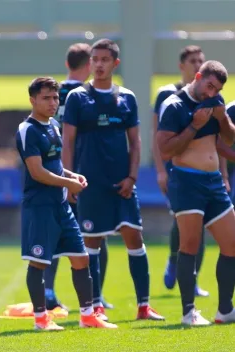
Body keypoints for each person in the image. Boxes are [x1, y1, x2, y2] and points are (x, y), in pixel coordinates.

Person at [62, 39, 164, 324]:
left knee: (135, 237)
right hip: (89, 184)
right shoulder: (77, 97)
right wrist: (69, 180)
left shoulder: (127, 98)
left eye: (105, 59)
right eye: (95, 59)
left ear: (115, 63)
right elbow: (67, 143)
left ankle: (144, 306)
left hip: (122, 184)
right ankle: (95, 307)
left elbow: (135, 141)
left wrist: (132, 177)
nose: (98, 64)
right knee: (91, 243)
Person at [15, 76, 116, 330]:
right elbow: (37, 172)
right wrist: (67, 184)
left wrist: (72, 175)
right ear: (32, 100)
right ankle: (40, 319)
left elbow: (56, 166)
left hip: (60, 207)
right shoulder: (27, 130)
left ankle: (87, 316)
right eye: (46, 98)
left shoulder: (54, 126)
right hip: (40, 207)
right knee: (38, 262)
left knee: (81, 258)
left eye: (55, 97)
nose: (52, 103)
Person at [157, 60, 235, 326]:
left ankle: (225, 310)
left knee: (232, 243)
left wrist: (222, 117)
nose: (212, 93)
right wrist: (194, 125)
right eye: (209, 86)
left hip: (214, 182)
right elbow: (166, 150)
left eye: (217, 89)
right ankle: (188, 312)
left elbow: (228, 139)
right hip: (187, 182)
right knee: (189, 245)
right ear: (198, 76)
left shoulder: (215, 101)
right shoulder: (174, 105)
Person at [51, 42, 113, 311]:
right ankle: (96, 295)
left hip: (54, 171)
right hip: (87, 171)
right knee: (97, 233)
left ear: (67, 64)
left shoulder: (51, 92)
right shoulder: (85, 96)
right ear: (89, 65)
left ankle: (48, 291)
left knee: (53, 233)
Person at [152, 45, 209, 296]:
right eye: (193, 61)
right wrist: (160, 171)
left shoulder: (208, 96)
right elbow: (157, 137)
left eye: (201, 60)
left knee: (202, 222)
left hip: (203, 172)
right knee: (183, 219)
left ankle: (193, 280)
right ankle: (174, 260)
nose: (198, 65)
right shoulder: (167, 94)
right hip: (175, 169)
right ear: (182, 66)